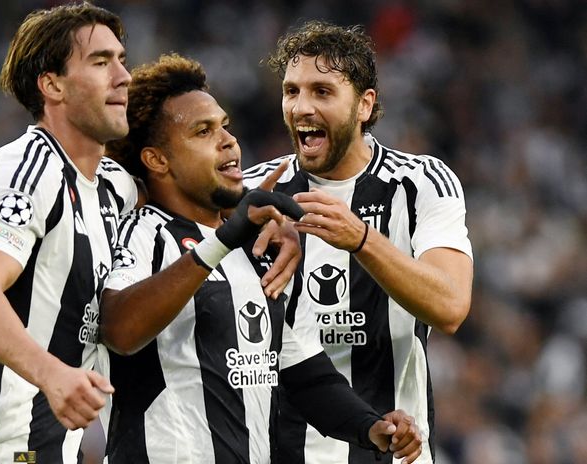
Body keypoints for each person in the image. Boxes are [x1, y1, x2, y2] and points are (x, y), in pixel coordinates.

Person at [100, 53, 422, 464]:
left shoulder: (256, 251)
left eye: (225, 127)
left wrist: (370, 427)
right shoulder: (142, 233)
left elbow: (305, 375)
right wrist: (222, 241)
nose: (228, 141)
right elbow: (121, 330)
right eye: (203, 131)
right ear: (157, 160)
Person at [0, 4, 139, 463]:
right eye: (100, 62)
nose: (123, 75)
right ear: (52, 85)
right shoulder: (26, 171)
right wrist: (52, 375)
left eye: (121, 59)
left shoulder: (116, 188)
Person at [243, 20, 474, 463]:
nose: (302, 107)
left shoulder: (420, 183)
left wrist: (362, 239)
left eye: (322, 92)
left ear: (364, 105)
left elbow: (450, 307)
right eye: (292, 91)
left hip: (396, 451)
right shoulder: (256, 194)